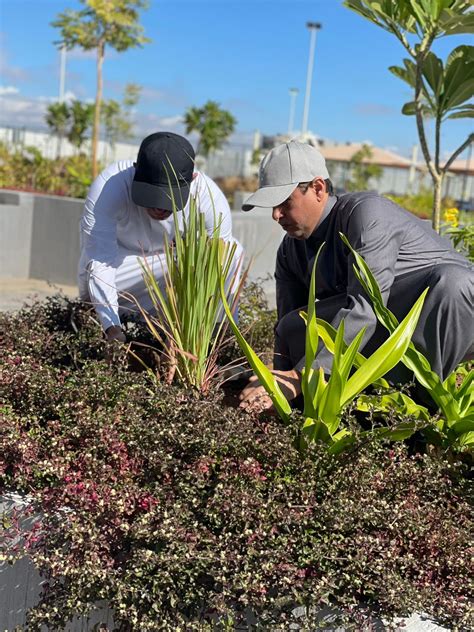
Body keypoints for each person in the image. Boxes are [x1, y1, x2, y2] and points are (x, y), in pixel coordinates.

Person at [239, 140, 473, 412]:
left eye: (284, 202)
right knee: (294, 324)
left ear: (317, 188)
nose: (276, 215)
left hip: (442, 316)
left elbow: (365, 309)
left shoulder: (365, 214)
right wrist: (276, 383)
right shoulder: (290, 252)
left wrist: (298, 377)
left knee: (454, 284)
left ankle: (424, 417)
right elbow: (289, 328)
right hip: (384, 325)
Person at [78, 132, 243, 342]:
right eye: (151, 195)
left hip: (169, 278)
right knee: (97, 269)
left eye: (169, 198)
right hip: (119, 277)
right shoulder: (109, 187)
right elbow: (101, 262)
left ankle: (223, 341)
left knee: (232, 251)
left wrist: (182, 334)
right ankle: (109, 318)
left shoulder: (208, 197)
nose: (158, 208)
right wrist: (112, 328)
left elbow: (216, 268)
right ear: (135, 169)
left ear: (192, 179)